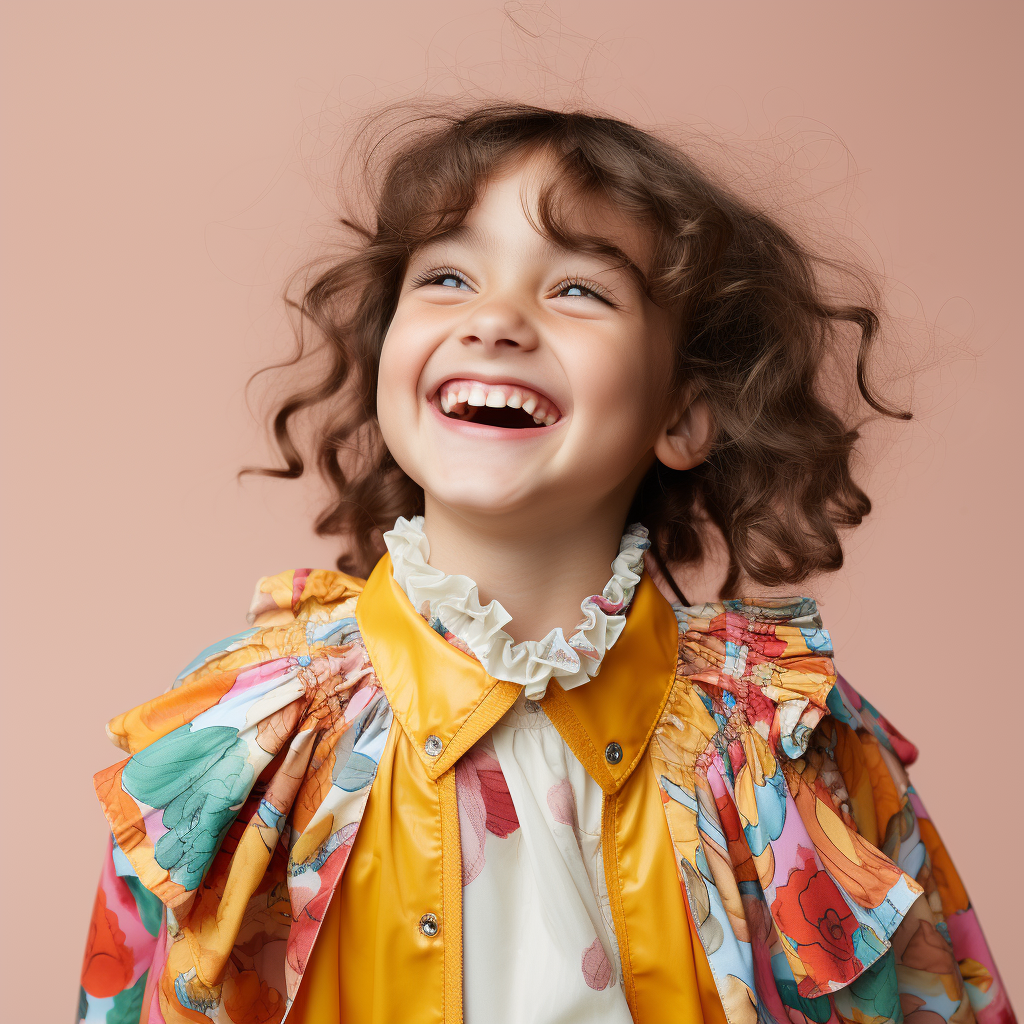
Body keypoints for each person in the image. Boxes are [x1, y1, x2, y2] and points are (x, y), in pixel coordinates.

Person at [76, 104, 1015, 1024]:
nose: (495, 321)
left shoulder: (791, 742)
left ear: (682, 416)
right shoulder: (245, 739)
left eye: (577, 290)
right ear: (384, 356)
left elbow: (942, 997)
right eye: (447, 277)